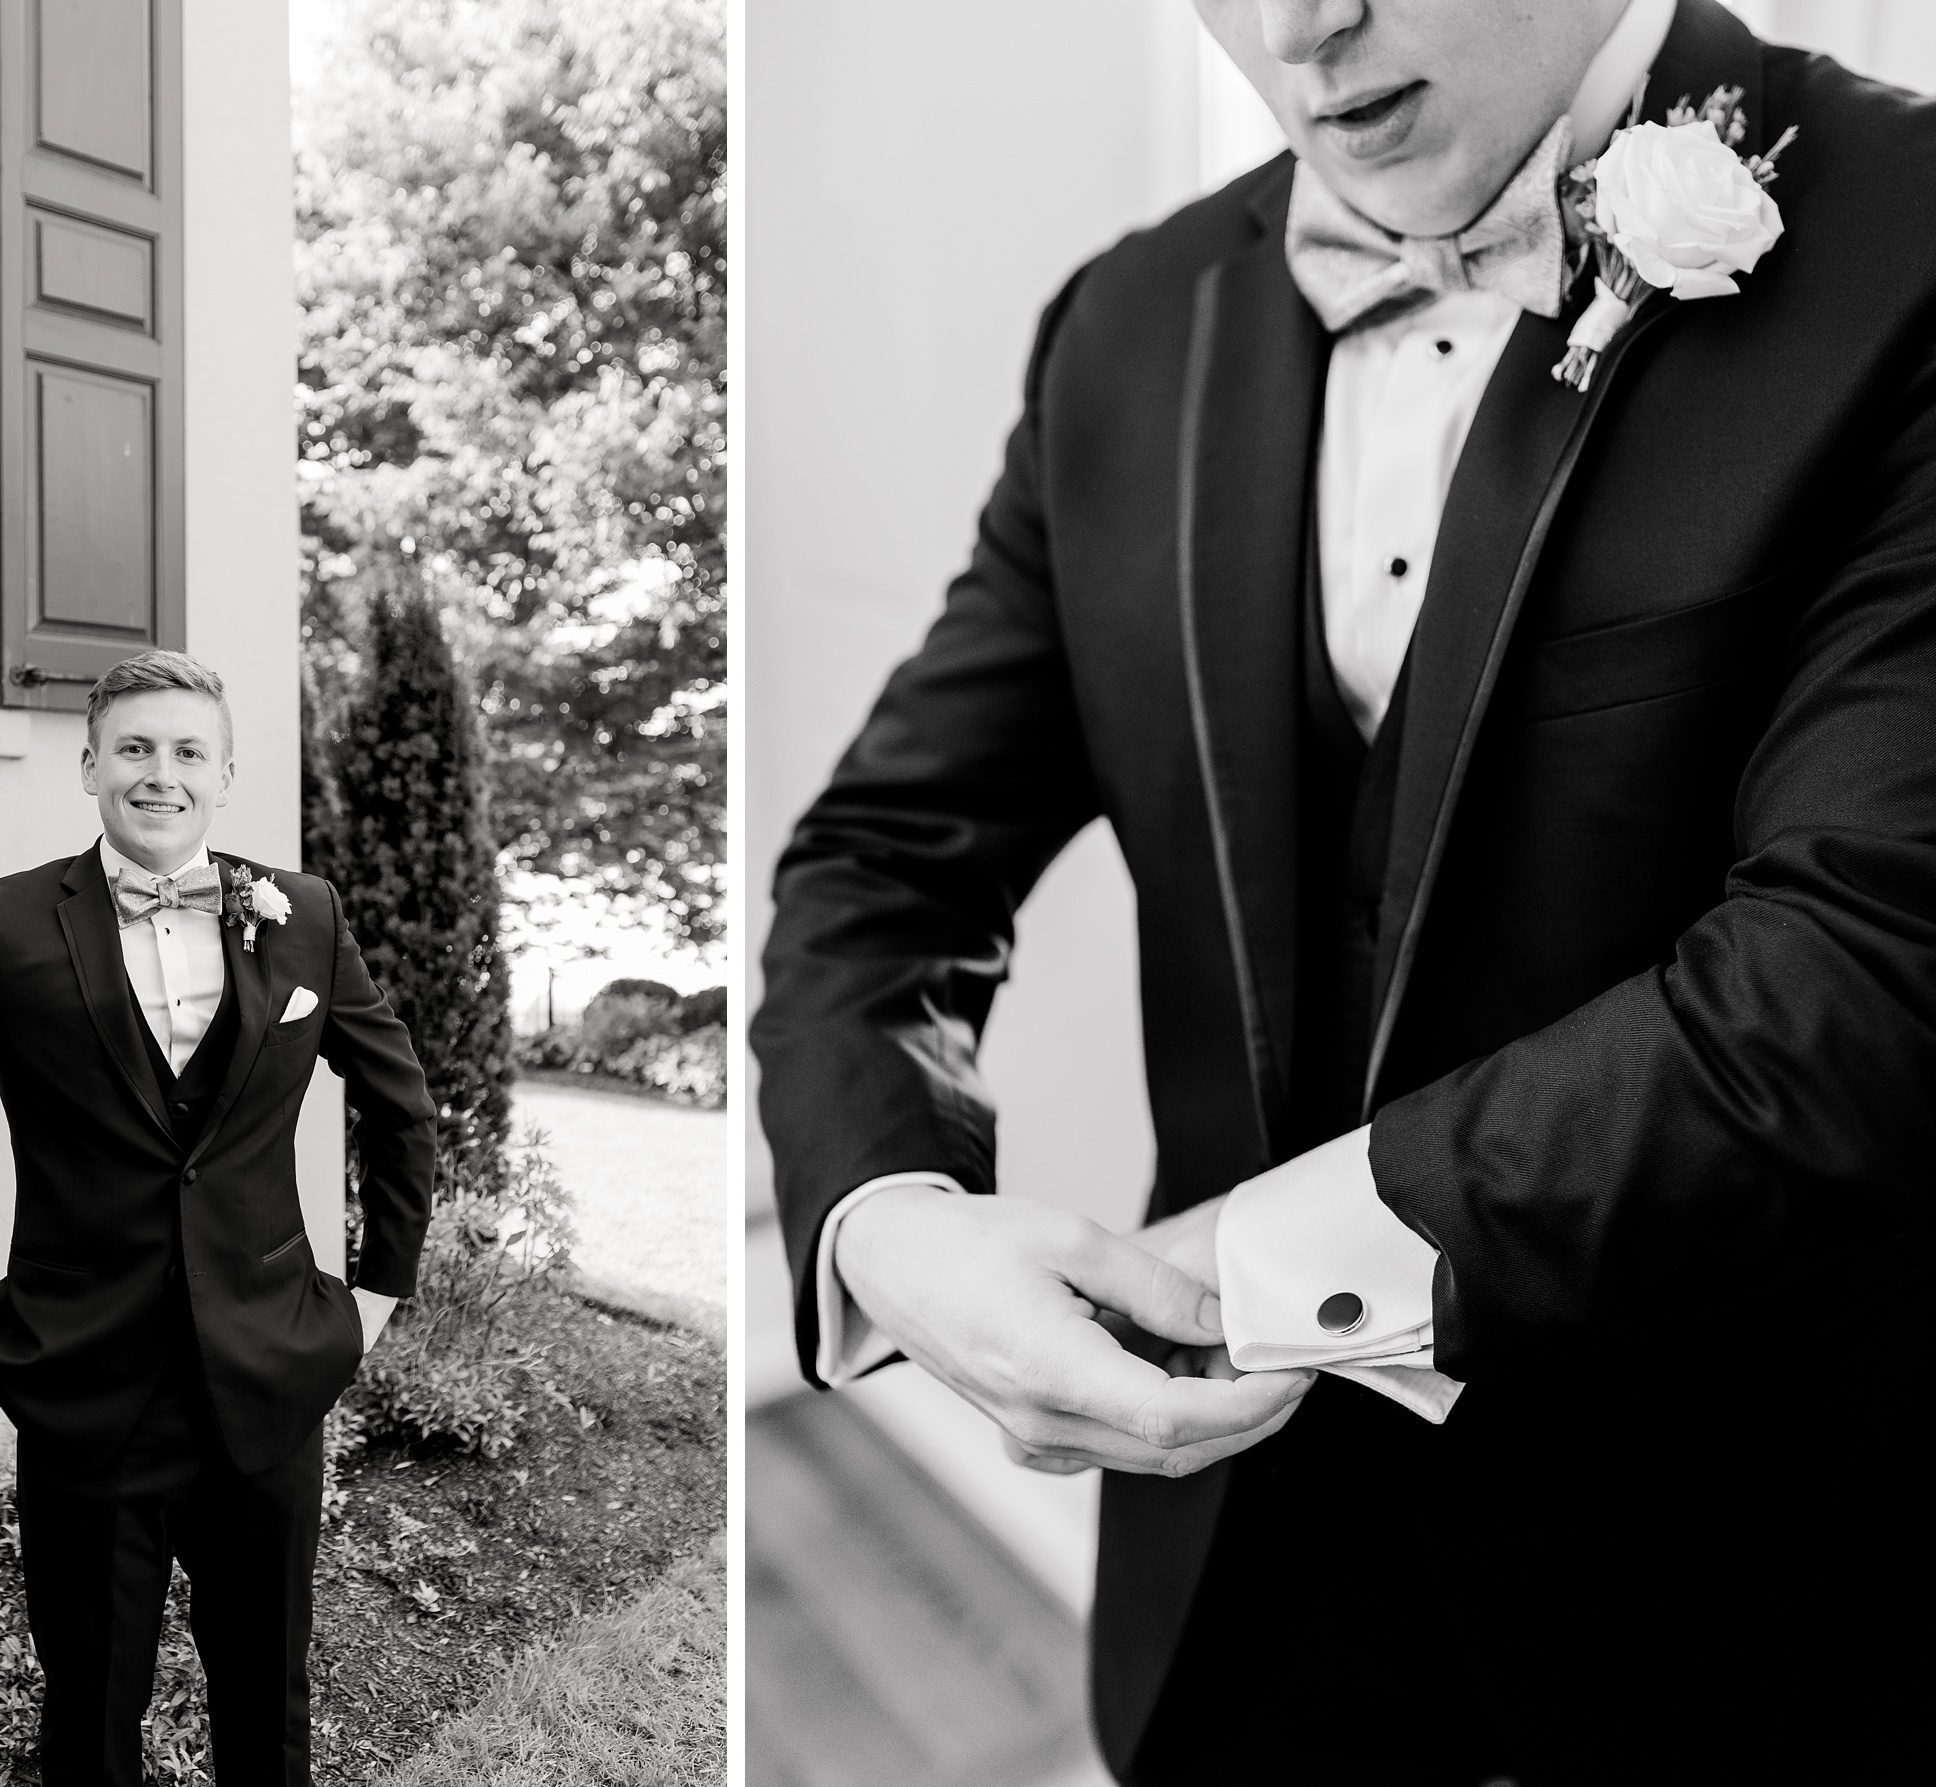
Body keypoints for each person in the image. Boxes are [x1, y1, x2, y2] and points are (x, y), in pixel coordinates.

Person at [753, 0, 1936, 1777]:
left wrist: (1222, 1269)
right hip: (1226, 1577)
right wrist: (891, 1214)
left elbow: (1871, 956)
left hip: (1746, 1586)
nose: (1303, 23)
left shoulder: (1914, 237)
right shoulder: (1127, 326)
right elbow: (882, 859)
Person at [0, 649, 436, 1787]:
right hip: (86, 1380)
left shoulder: (302, 913)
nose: (163, 774)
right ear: (91, 765)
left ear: (226, 772)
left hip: (268, 1373)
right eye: (138, 749)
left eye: (188, 751)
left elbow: (399, 1104)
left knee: (270, 1700)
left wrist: (373, 1299)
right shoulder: (7, 923)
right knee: (92, 1704)